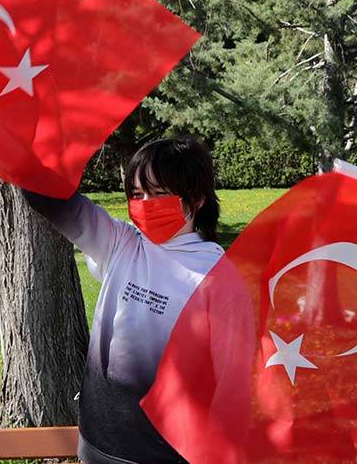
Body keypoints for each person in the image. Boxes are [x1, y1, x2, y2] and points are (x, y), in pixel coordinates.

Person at [22, 136, 231, 464]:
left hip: (164, 455)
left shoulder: (220, 277)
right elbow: (49, 199)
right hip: (94, 445)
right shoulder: (121, 244)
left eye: (159, 193)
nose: (146, 203)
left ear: (197, 197)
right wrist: (18, 146)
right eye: (136, 194)